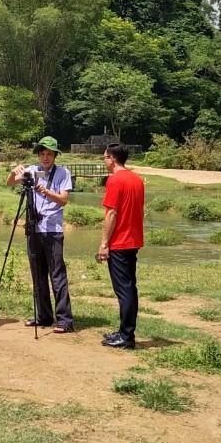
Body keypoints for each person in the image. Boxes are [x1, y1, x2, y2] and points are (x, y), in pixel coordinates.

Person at [6, 135, 74, 333]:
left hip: (53, 230)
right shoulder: (32, 170)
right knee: (37, 274)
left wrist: (46, 191)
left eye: (49, 154)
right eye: (42, 154)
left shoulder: (63, 173)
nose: (45, 158)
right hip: (34, 229)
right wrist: (13, 172)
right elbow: (10, 182)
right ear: (38, 155)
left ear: (55, 156)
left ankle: (64, 320)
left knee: (57, 275)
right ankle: (43, 316)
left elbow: (63, 200)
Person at [97, 142, 144, 349]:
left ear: (113, 159)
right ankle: (125, 331)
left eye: (105, 158)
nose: (104, 161)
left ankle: (126, 336)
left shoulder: (115, 180)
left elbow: (112, 213)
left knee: (123, 290)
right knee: (129, 288)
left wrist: (104, 243)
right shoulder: (137, 179)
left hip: (120, 242)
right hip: (133, 240)